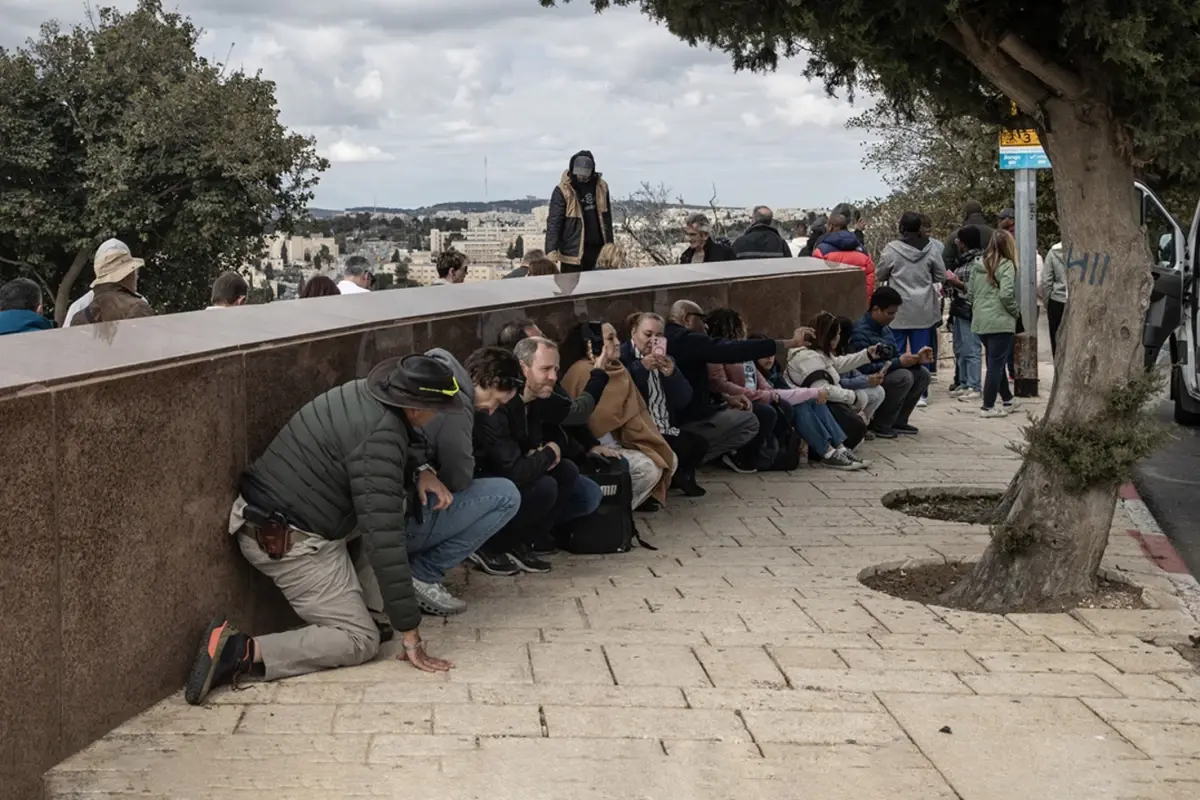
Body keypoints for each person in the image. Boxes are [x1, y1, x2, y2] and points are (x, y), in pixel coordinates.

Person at [184, 354, 506, 705]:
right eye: (437, 409)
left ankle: (367, 608)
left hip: (292, 517)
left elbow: (392, 447)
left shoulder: (366, 397)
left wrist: (420, 470)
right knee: (360, 640)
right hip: (288, 540)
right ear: (414, 408)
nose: (437, 417)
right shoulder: (380, 433)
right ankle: (239, 650)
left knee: (394, 506)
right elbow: (384, 541)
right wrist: (410, 634)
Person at [471, 337, 604, 573]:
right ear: (523, 368)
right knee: (544, 486)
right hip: (487, 478)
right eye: (545, 369)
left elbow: (570, 424)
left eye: (556, 369)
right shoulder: (496, 405)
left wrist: (550, 450)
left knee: (567, 472)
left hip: (516, 469)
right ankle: (491, 544)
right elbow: (513, 469)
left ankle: (526, 540)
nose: (553, 376)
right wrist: (547, 453)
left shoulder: (540, 398)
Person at [412, 346, 526, 612]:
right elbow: (459, 477)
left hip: (384, 510)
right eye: (496, 400)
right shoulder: (456, 403)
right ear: (488, 380)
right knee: (505, 495)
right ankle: (423, 574)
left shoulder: (437, 377)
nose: (490, 410)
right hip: (401, 518)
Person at [665, 300, 811, 473]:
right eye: (702, 319)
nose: (705, 326)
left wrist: (726, 397)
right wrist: (789, 343)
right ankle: (690, 460)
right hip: (685, 418)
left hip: (695, 409)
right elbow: (729, 351)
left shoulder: (674, 338)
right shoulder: (684, 340)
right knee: (751, 421)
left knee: (775, 409)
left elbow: (700, 383)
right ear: (687, 318)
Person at [560, 321, 677, 510]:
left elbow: (634, 413)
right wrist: (593, 445)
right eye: (610, 338)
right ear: (593, 343)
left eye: (616, 336)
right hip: (591, 448)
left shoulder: (618, 369)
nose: (617, 342)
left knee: (668, 457)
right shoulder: (582, 371)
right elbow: (580, 418)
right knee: (647, 469)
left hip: (620, 442)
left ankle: (622, 513)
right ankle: (611, 513)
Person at [622, 312, 709, 496]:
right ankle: (660, 484)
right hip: (639, 429)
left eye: (659, 336)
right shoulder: (624, 357)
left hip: (666, 426)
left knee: (699, 443)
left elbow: (684, 399)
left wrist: (672, 374)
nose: (653, 341)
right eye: (648, 334)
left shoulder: (668, 359)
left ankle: (678, 476)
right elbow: (621, 393)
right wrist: (641, 368)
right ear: (633, 333)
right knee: (677, 446)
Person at [704, 308, 796, 472]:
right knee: (766, 413)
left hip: (755, 395)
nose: (745, 327)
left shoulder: (742, 350)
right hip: (733, 399)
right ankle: (740, 455)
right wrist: (756, 395)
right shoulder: (715, 352)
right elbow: (719, 383)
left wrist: (769, 391)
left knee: (784, 407)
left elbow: (756, 375)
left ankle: (768, 453)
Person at [787, 312, 886, 450]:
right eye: (837, 333)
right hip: (817, 408)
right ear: (830, 336)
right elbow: (823, 389)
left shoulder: (819, 354)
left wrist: (867, 354)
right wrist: (853, 398)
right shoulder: (808, 358)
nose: (839, 337)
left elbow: (839, 363)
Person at [875, 212, 946, 392]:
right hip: (923, 308)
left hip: (897, 310)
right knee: (923, 351)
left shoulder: (892, 249)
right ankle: (922, 392)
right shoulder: (931, 248)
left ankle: (895, 387)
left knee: (896, 351)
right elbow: (941, 276)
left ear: (901, 228)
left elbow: (880, 274)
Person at [849, 286, 933, 437]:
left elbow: (895, 355)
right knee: (903, 377)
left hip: (886, 371)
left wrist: (916, 360)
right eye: (889, 313)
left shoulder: (886, 330)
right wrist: (898, 363)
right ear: (875, 309)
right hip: (869, 378)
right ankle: (881, 423)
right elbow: (862, 367)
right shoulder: (859, 331)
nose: (892, 317)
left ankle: (899, 420)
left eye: (894, 313)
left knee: (923, 374)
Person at [496, 318, 607, 427]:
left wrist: (591, 444)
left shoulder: (544, 381)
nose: (552, 377)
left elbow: (570, 420)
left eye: (544, 337)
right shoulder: (528, 390)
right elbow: (577, 413)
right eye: (538, 341)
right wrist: (598, 373)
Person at [968, 230, 1020, 417]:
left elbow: (970, 293)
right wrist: (1015, 312)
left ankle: (1007, 399)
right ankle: (988, 406)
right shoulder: (1007, 266)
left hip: (981, 321)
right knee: (996, 365)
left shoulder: (977, 265)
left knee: (994, 359)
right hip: (1000, 320)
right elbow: (1006, 294)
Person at [545, 150, 613, 272]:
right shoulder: (563, 190)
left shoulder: (602, 186)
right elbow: (554, 221)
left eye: (585, 174)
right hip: (572, 251)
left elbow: (607, 217)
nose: (581, 177)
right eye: (579, 174)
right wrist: (551, 250)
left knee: (598, 287)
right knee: (571, 288)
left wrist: (610, 245)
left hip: (598, 248)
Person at [62, 239, 150, 327]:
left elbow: (67, 340)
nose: (136, 276)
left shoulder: (78, 313)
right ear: (127, 275)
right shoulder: (138, 306)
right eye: (133, 270)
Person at [945, 226, 985, 402]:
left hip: (971, 308)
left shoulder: (978, 261)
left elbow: (977, 289)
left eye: (959, 240)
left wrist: (957, 283)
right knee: (960, 347)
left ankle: (974, 385)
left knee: (972, 347)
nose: (957, 244)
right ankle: (963, 382)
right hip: (959, 308)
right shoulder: (962, 261)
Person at [813, 213, 875, 304]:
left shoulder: (821, 251)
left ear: (830, 227)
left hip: (830, 306)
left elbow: (816, 282)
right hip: (858, 305)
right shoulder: (863, 252)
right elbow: (870, 280)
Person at [941, 200, 995, 272]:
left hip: (962, 278)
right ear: (982, 214)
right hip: (991, 277)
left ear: (965, 215)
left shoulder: (955, 235)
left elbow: (946, 261)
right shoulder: (995, 234)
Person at [1040, 241, 1067, 357]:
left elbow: (1046, 280)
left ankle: (1057, 367)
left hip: (1057, 300)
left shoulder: (1053, 252)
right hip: (1077, 300)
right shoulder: (1084, 250)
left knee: (1056, 337)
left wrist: (1047, 303)